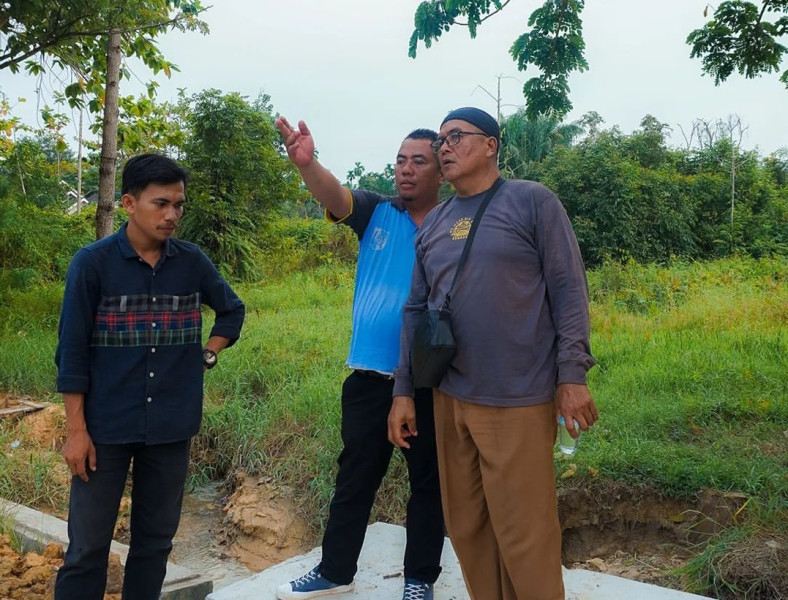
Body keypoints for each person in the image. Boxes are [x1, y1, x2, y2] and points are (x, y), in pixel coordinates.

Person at [388, 107, 599, 600]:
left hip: (517, 398)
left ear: (491, 145)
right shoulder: (436, 221)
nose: (445, 147)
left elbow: (569, 290)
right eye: (441, 139)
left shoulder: (531, 202)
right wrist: (403, 391)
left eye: (456, 137)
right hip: (450, 395)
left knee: (524, 533)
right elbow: (416, 307)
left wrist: (572, 376)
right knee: (467, 528)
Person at [54, 153, 245, 600]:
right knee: (87, 548)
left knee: (154, 545)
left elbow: (232, 309)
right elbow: (72, 352)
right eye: (161, 203)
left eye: (178, 205)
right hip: (105, 429)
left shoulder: (191, 263)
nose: (172, 215)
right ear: (127, 203)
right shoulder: (93, 264)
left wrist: (210, 353)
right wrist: (76, 431)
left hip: (170, 428)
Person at [274, 117, 445, 600]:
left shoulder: (458, 223)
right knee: (354, 479)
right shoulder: (376, 212)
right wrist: (307, 164)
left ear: (441, 172)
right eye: (400, 160)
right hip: (371, 377)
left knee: (429, 486)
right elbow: (334, 196)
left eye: (419, 162)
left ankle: (419, 581)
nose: (406, 170)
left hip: (432, 379)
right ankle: (334, 572)